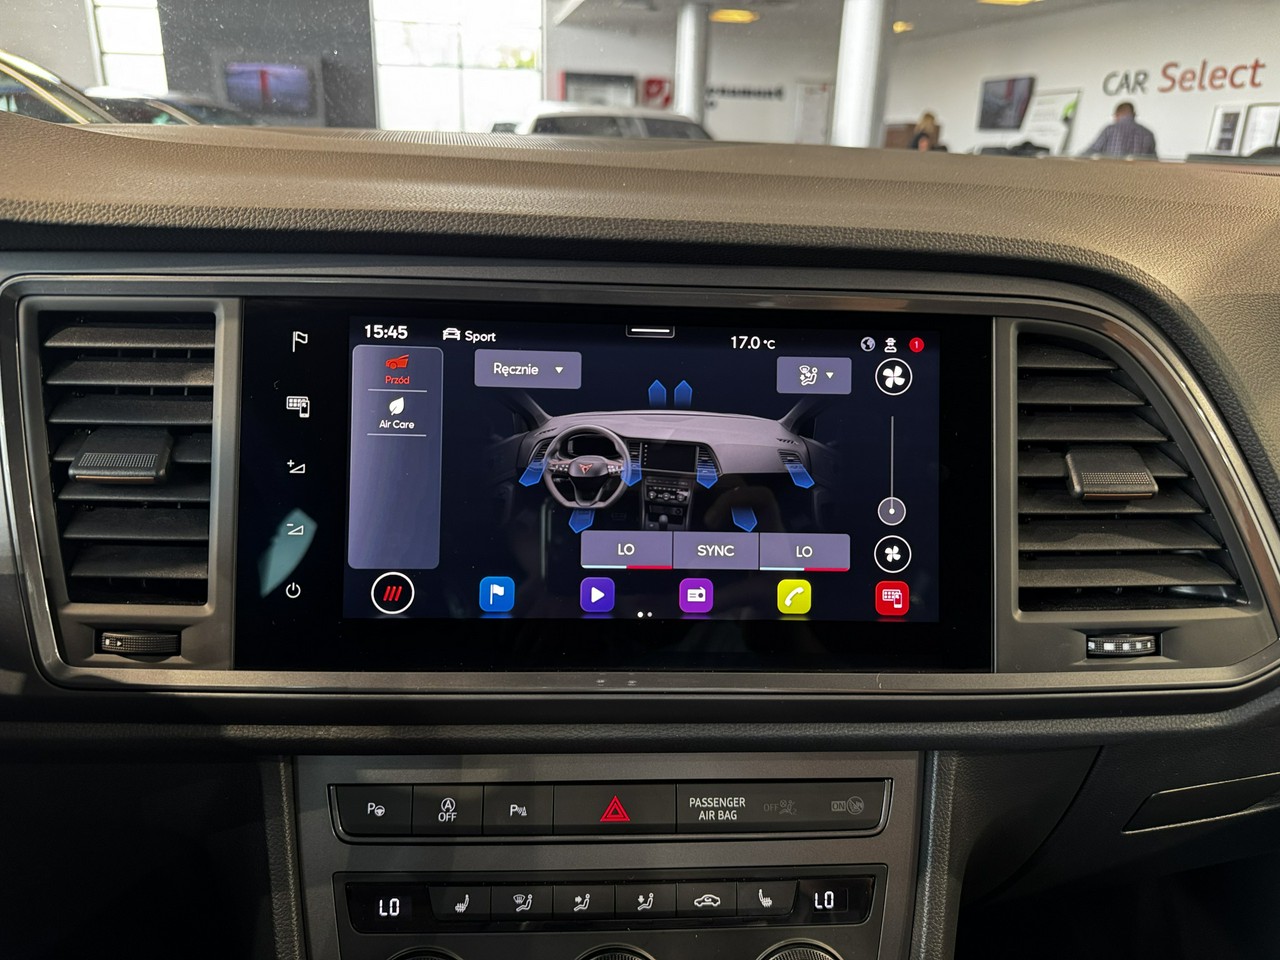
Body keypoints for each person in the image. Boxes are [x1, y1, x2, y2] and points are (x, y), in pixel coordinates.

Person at [1082, 101, 1157, 157]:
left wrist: (1077, 161)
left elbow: (1093, 150)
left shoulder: (1110, 130)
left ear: (1117, 115)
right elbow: (1153, 160)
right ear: (1133, 114)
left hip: (1111, 172)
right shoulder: (1148, 134)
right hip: (1138, 173)